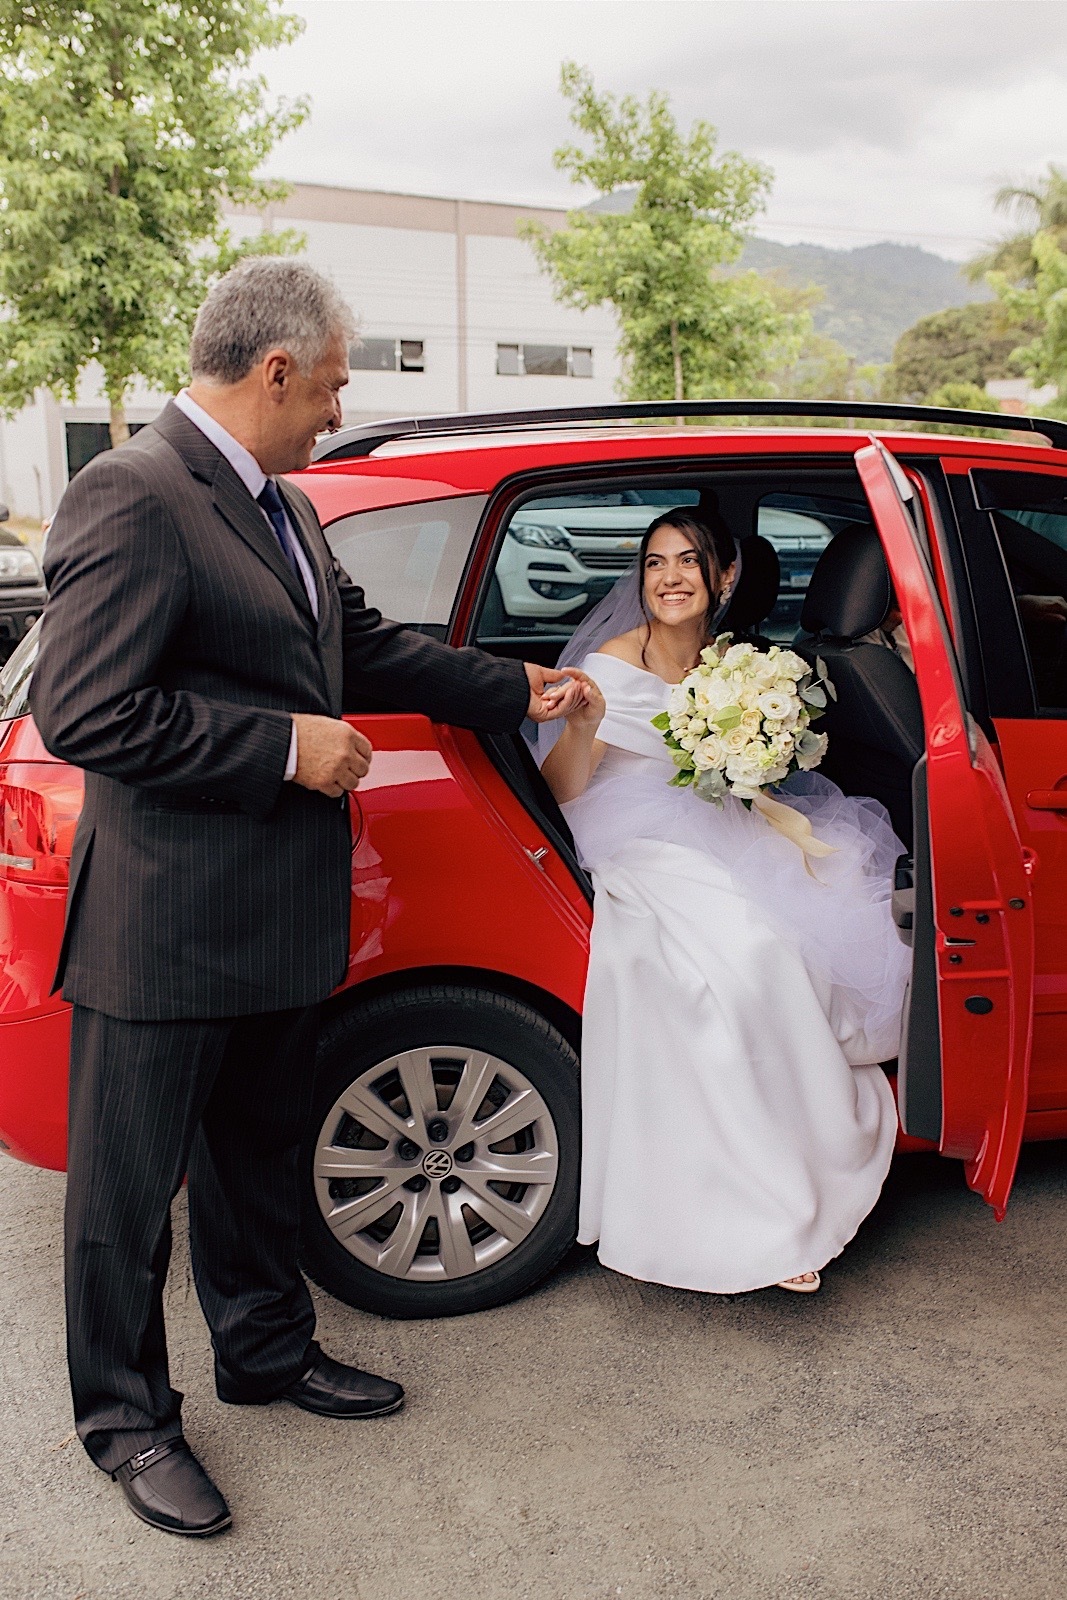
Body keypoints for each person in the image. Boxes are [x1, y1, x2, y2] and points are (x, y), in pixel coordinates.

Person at [30, 258, 581, 1538]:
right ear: (273, 370)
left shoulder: (283, 503)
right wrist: (287, 745)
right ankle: (125, 1423)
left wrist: (514, 688)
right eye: (331, 386)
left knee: (258, 1159)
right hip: (164, 929)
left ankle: (266, 1353)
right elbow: (88, 712)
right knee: (122, 1202)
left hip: (280, 912)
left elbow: (363, 646)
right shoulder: (133, 492)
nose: (339, 409)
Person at [539, 509, 911, 1299]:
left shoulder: (733, 665)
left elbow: (746, 777)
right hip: (629, 835)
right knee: (748, 958)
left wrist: (753, 756)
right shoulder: (609, 664)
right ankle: (760, 1205)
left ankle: (800, 1147)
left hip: (718, 822)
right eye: (653, 563)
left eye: (686, 562)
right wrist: (584, 727)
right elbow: (564, 791)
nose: (667, 577)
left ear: (723, 578)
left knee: (825, 897)